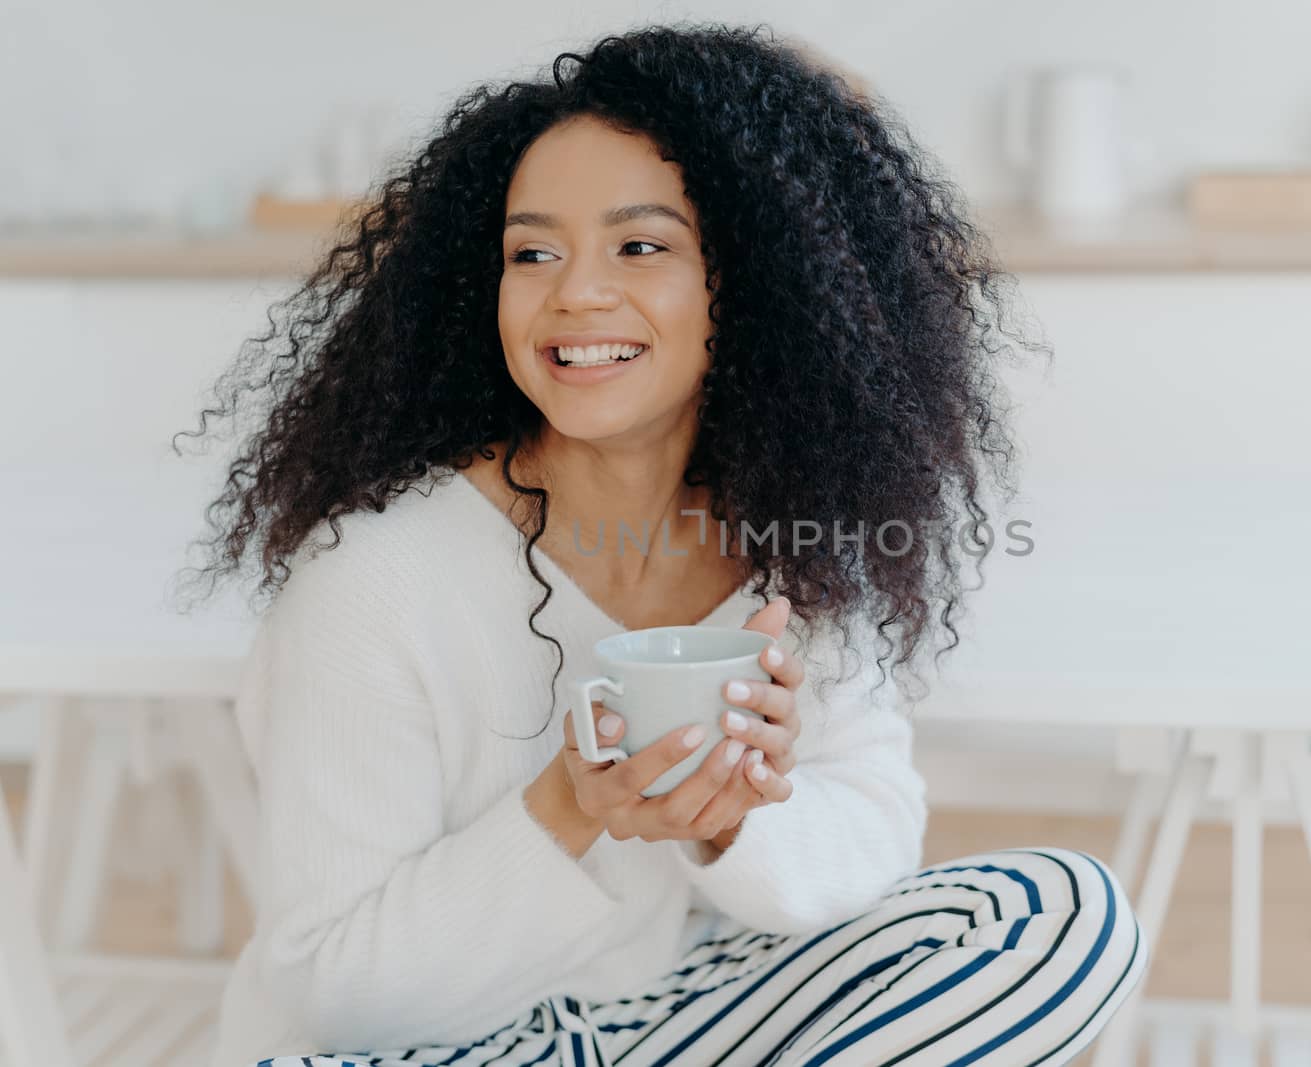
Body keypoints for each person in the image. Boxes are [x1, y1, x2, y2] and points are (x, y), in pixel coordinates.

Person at [177, 22, 1147, 1067]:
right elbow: (333, 996)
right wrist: (567, 808)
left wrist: (740, 820)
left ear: (756, 285)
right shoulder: (372, 579)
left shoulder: (796, 547)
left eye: (640, 246)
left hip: (680, 1018)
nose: (575, 293)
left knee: (1058, 913)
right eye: (532, 251)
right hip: (437, 1048)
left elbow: (872, 835)